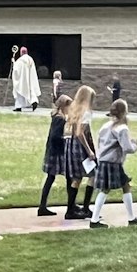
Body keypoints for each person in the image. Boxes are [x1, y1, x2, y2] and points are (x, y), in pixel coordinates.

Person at [89, 99, 137, 228]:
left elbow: (100, 143)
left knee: (116, 187)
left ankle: (95, 219)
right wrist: (135, 145)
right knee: (115, 188)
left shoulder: (105, 126)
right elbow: (127, 147)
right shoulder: (122, 128)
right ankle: (96, 220)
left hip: (103, 160)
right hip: (113, 162)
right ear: (124, 112)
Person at [62, 85, 97, 219]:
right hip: (80, 146)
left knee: (76, 178)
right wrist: (89, 151)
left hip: (71, 145)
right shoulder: (86, 112)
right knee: (93, 174)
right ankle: (85, 207)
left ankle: (70, 209)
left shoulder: (73, 109)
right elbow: (80, 133)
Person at [37, 95, 70, 216]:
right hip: (57, 152)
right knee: (68, 177)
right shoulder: (60, 119)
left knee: (51, 178)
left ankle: (42, 206)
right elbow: (56, 136)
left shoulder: (56, 117)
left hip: (53, 151)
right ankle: (70, 205)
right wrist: (65, 139)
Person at [11, 46, 41, 112]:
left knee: (20, 91)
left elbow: (16, 69)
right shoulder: (30, 59)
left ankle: (18, 107)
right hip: (30, 78)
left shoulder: (20, 60)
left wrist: (13, 62)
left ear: (21, 52)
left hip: (22, 80)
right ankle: (34, 102)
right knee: (31, 90)